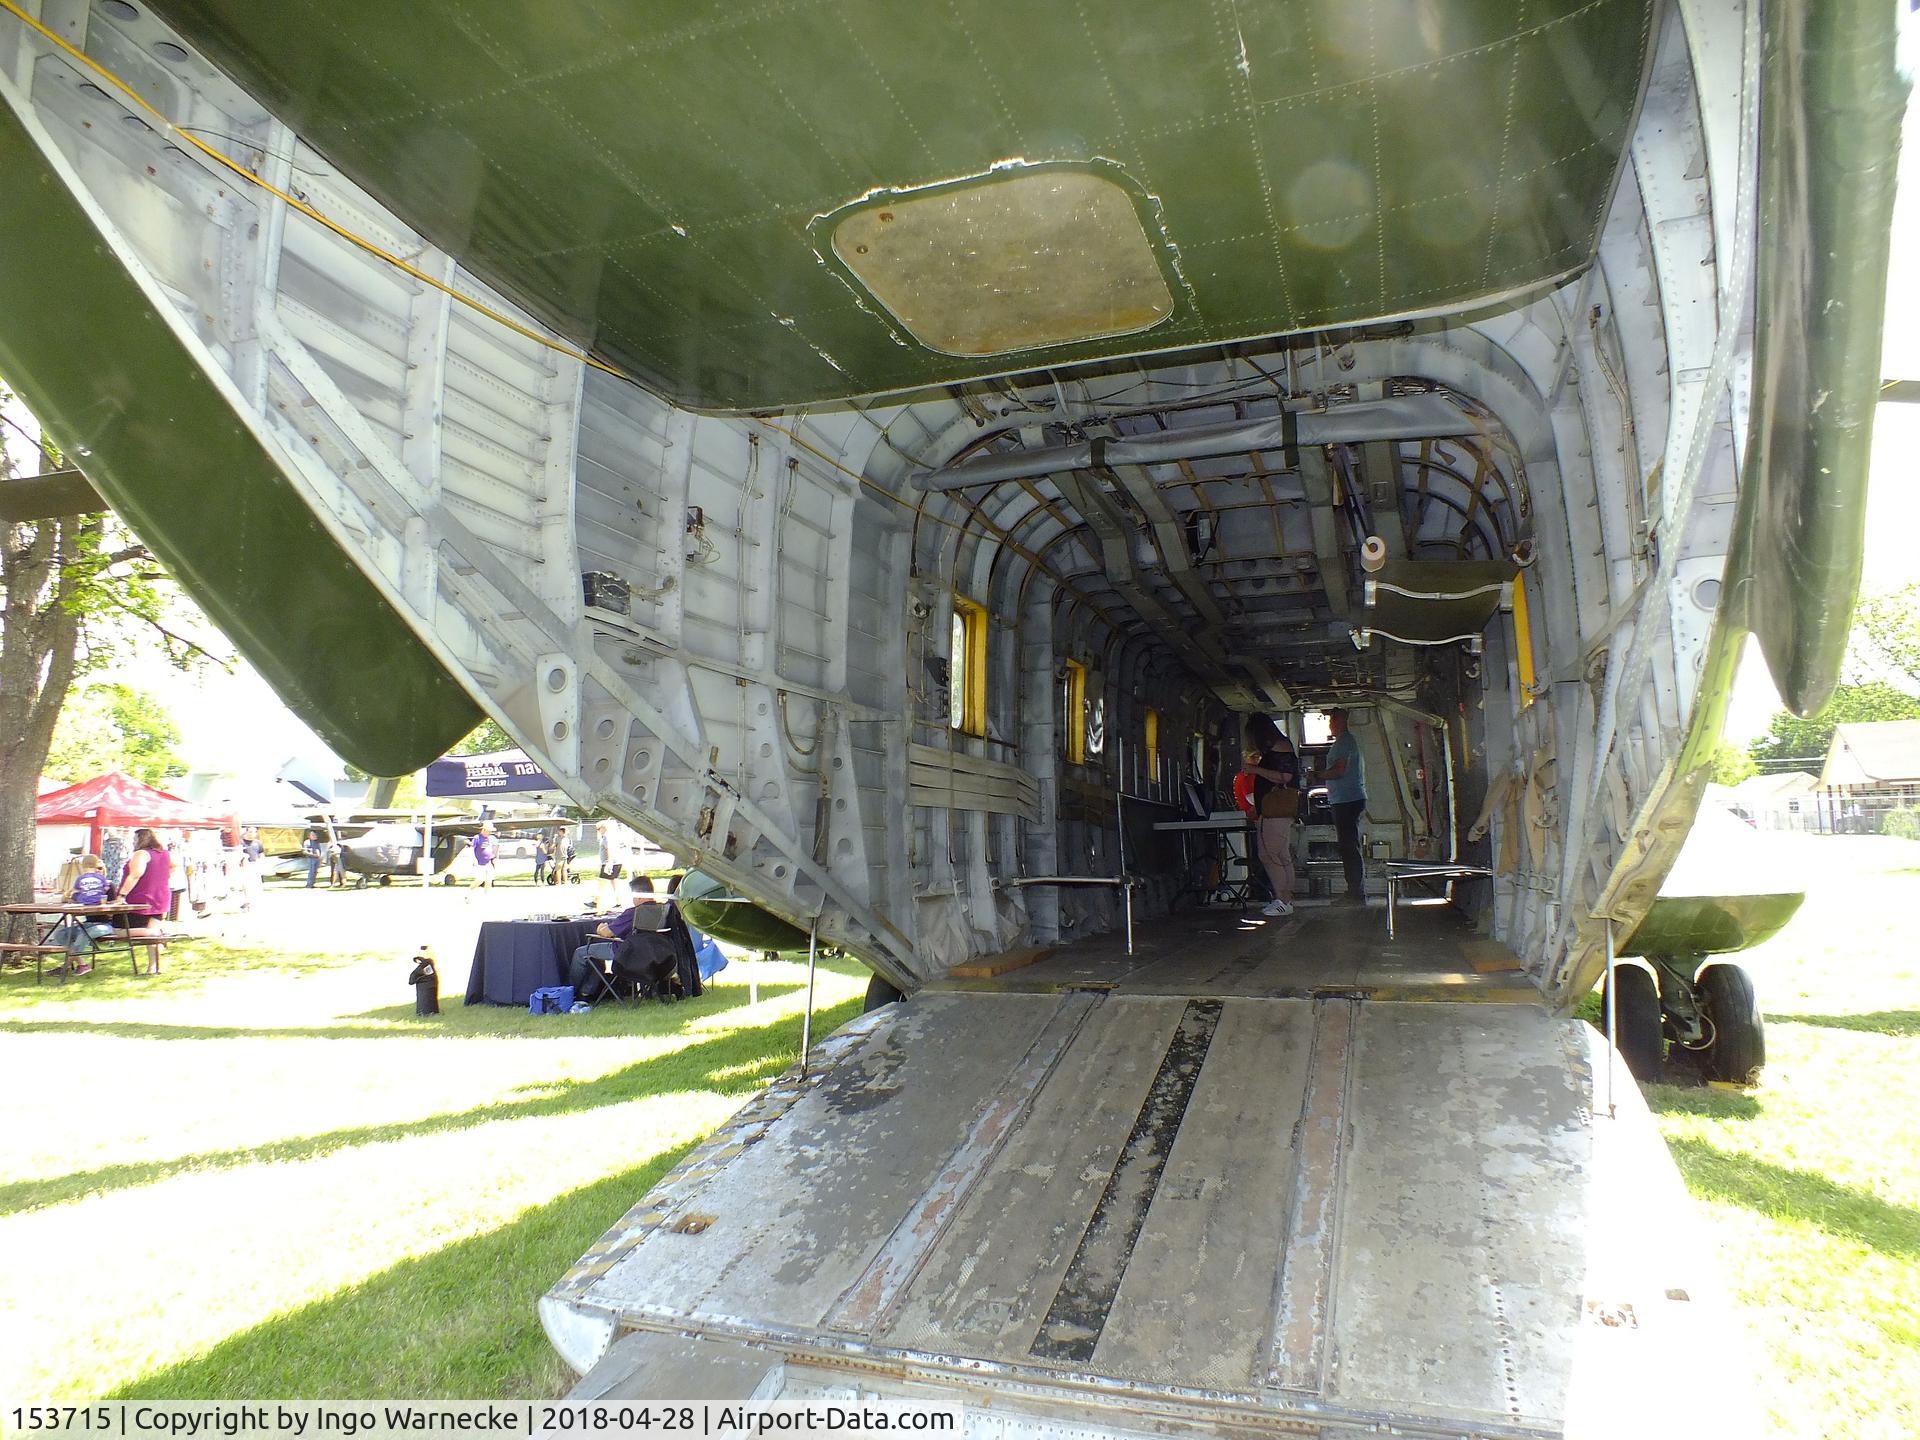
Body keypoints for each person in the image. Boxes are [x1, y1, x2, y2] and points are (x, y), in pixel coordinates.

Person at [1240, 716, 1300, 918]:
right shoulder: (1283, 746)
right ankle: (1286, 899)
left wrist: (1254, 769)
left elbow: (1285, 776)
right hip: (1279, 810)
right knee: (1282, 855)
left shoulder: (1279, 749)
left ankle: (1281, 900)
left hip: (1274, 809)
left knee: (1269, 854)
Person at [567, 875, 661, 1000]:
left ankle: (570, 991)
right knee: (595, 956)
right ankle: (586, 991)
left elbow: (607, 933)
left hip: (625, 951)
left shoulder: (633, 912)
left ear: (638, 895)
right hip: (650, 953)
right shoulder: (660, 909)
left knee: (581, 953)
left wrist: (601, 927)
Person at [1315, 709, 1368, 904]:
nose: (1330, 724)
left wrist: (1317, 775)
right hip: (1346, 799)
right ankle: (1354, 891)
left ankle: (1355, 893)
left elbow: (1339, 771)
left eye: (1331, 720)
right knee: (1348, 846)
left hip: (1347, 800)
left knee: (1349, 847)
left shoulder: (1345, 742)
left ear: (1339, 721)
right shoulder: (1345, 742)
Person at [112, 828, 172, 971]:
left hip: (139, 900)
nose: (133, 842)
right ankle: (153, 967)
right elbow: (173, 866)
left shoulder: (141, 854)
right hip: (160, 898)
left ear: (141, 839)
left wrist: (121, 895)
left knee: (118, 930)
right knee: (151, 939)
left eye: (135, 839)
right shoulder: (164, 854)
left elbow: (136, 873)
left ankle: (155, 934)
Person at [47, 854, 115, 974]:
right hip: (88, 923)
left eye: (98, 868)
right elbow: (68, 899)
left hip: (106, 925)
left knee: (84, 934)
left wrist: (105, 906)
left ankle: (64, 967)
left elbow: (115, 908)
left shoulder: (110, 886)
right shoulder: (84, 888)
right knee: (61, 934)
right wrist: (69, 894)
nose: (95, 872)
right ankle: (82, 964)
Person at [471, 821, 497, 889]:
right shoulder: (477, 838)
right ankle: (469, 892)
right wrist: (474, 860)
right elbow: (472, 849)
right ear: (484, 830)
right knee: (479, 880)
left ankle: (486, 896)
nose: (489, 833)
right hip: (479, 863)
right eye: (488, 831)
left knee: (489, 880)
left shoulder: (489, 838)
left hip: (488, 863)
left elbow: (489, 848)